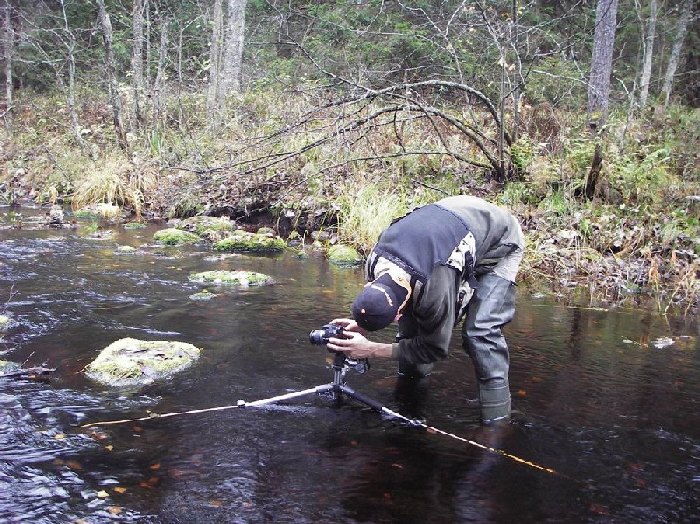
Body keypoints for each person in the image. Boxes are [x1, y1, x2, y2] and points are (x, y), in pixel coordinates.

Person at [327, 195, 524, 424]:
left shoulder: (435, 283)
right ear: (369, 285)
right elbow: (382, 303)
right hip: (454, 221)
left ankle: (497, 424)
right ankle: (410, 393)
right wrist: (361, 325)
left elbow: (435, 348)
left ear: (398, 312)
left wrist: (372, 350)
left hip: (500, 237)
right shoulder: (375, 261)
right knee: (413, 331)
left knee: (479, 334)